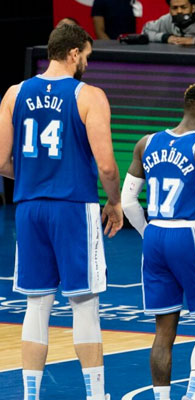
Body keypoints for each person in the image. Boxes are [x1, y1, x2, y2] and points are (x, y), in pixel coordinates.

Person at [0, 24, 123, 400]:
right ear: (72, 54)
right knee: (84, 303)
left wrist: (37, 177)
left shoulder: (13, 93)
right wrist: (115, 202)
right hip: (72, 207)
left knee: (36, 305)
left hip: (29, 208)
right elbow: (106, 166)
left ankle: (29, 394)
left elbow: (2, 161)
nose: (87, 62)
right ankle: (96, 394)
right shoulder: (89, 95)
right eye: (86, 55)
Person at [120, 83, 195, 400]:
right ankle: (193, 396)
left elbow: (128, 203)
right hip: (188, 233)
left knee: (164, 331)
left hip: (154, 234)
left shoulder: (146, 143)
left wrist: (149, 233)